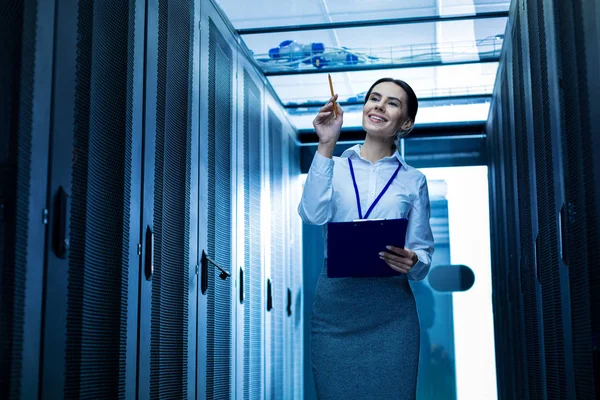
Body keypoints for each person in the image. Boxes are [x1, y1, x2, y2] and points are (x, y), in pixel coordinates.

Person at [298, 77, 434, 399]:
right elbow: (311, 216)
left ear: (407, 123)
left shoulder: (414, 181)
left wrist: (414, 261)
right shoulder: (333, 166)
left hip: (391, 313)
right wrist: (326, 144)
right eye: (374, 98)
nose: (379, 106)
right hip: (336, 311)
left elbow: (423, 254)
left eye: (392, 103)